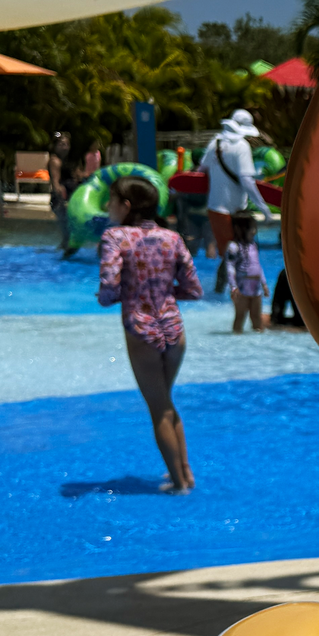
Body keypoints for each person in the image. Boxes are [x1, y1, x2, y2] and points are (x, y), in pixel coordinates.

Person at [97, 173, 203, 492]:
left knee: (158, 408)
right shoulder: (173, 238)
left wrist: (121, 295)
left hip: (141, 330)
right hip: (174, 328)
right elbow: (194, 289)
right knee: (166, 402)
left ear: (126, 206)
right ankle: (184, 474)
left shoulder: (115, 237)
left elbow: (108, 287)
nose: (108, 206)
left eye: (112, 200)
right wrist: (164, 293)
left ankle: (180, 485)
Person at [200, 108, 274, 257]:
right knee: (241, 259)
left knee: (226, 257)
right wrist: (264, 209)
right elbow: (246, 181)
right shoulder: (242, 146)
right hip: (235, 213)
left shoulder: (215, 142)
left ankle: (220, 280)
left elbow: (203, 168)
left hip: (214, 209)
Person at [224, 211, 270, 333]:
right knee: (240, 317)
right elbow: (230, 268)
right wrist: (233, 287)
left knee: (256, 318)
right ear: (239, 229)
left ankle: (258, 343)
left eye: (254, 228)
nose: (254, 231)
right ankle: (237, 340)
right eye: (250, 228)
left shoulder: (253, 245)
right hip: (242, 287)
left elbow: (258, 266)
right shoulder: (233, 246)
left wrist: (264, 284)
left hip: (255, 287)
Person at [46, 132, 73, 255]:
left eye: (67, 144)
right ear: (55, 146)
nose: (65, 147)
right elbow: (56, 182)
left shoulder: (65, 160)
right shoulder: (55, 161)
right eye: (62, 144)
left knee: (67, 230)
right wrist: (63, 200)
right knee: (66, 229)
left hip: (66, 198)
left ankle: (65, 249)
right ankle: (65, 252)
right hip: (60, 199)